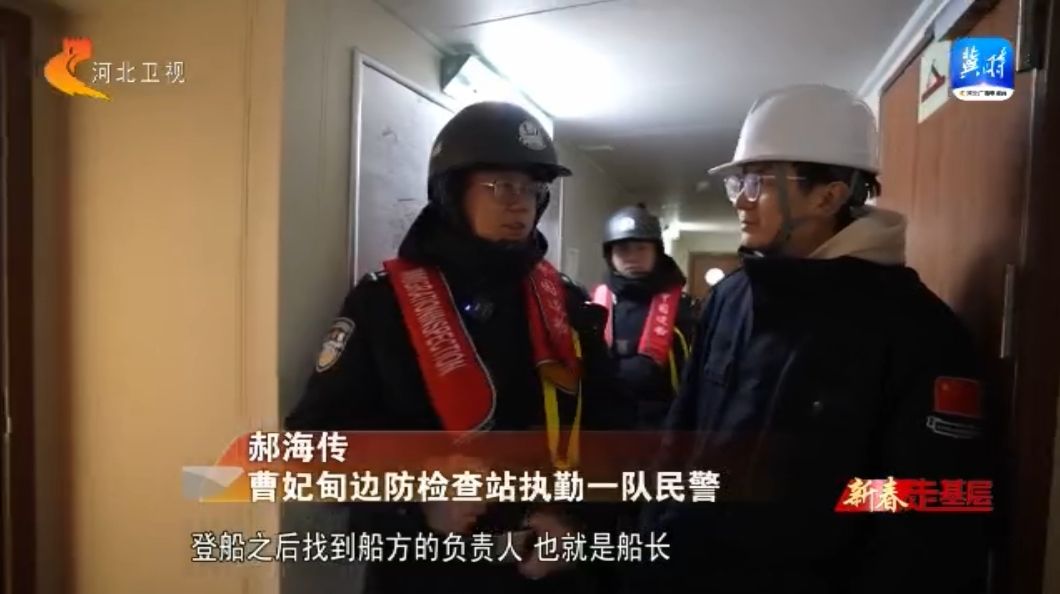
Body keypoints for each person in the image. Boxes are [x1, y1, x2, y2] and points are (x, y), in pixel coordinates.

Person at [639, 84, 992, 593]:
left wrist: (815, 508)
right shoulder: (730, 298)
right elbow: (682, 434)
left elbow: (928, 505)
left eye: (758, 181)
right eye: (738, 181)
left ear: (829, 195)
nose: (741, 200)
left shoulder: (916, 328)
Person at [285, 101, 627, 594]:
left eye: (533, 190)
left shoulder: (565, 302)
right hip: (426, 571)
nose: (522, 204)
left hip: (546, 571)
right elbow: (315, 445)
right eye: (503, 186)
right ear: (451, 191)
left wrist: (577, 523)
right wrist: (416, 495)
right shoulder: (383, 302)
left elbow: (614, 429)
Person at [592, 204, 696, 430]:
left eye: (641, 248)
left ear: (657, 252)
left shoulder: (684, 310)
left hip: (663, 427)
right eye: (623, 249)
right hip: (604, 426)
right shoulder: (593, 306)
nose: (633, 257)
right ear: (610, 255)